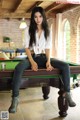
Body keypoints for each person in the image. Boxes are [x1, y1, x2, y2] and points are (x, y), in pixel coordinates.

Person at [9, 6, 76, 113]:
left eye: (40, 16)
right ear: (33, 18)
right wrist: (32, 62)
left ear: (43, 17)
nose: (38, 19)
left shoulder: (47, 30)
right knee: (19, 67)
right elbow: (26, 47)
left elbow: (48, 48)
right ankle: (15, 99)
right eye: (35, 17)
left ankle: (68, 93)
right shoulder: (28, 30)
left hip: (44, 57)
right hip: (32, 57)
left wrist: (48, 61)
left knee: (65, 66)